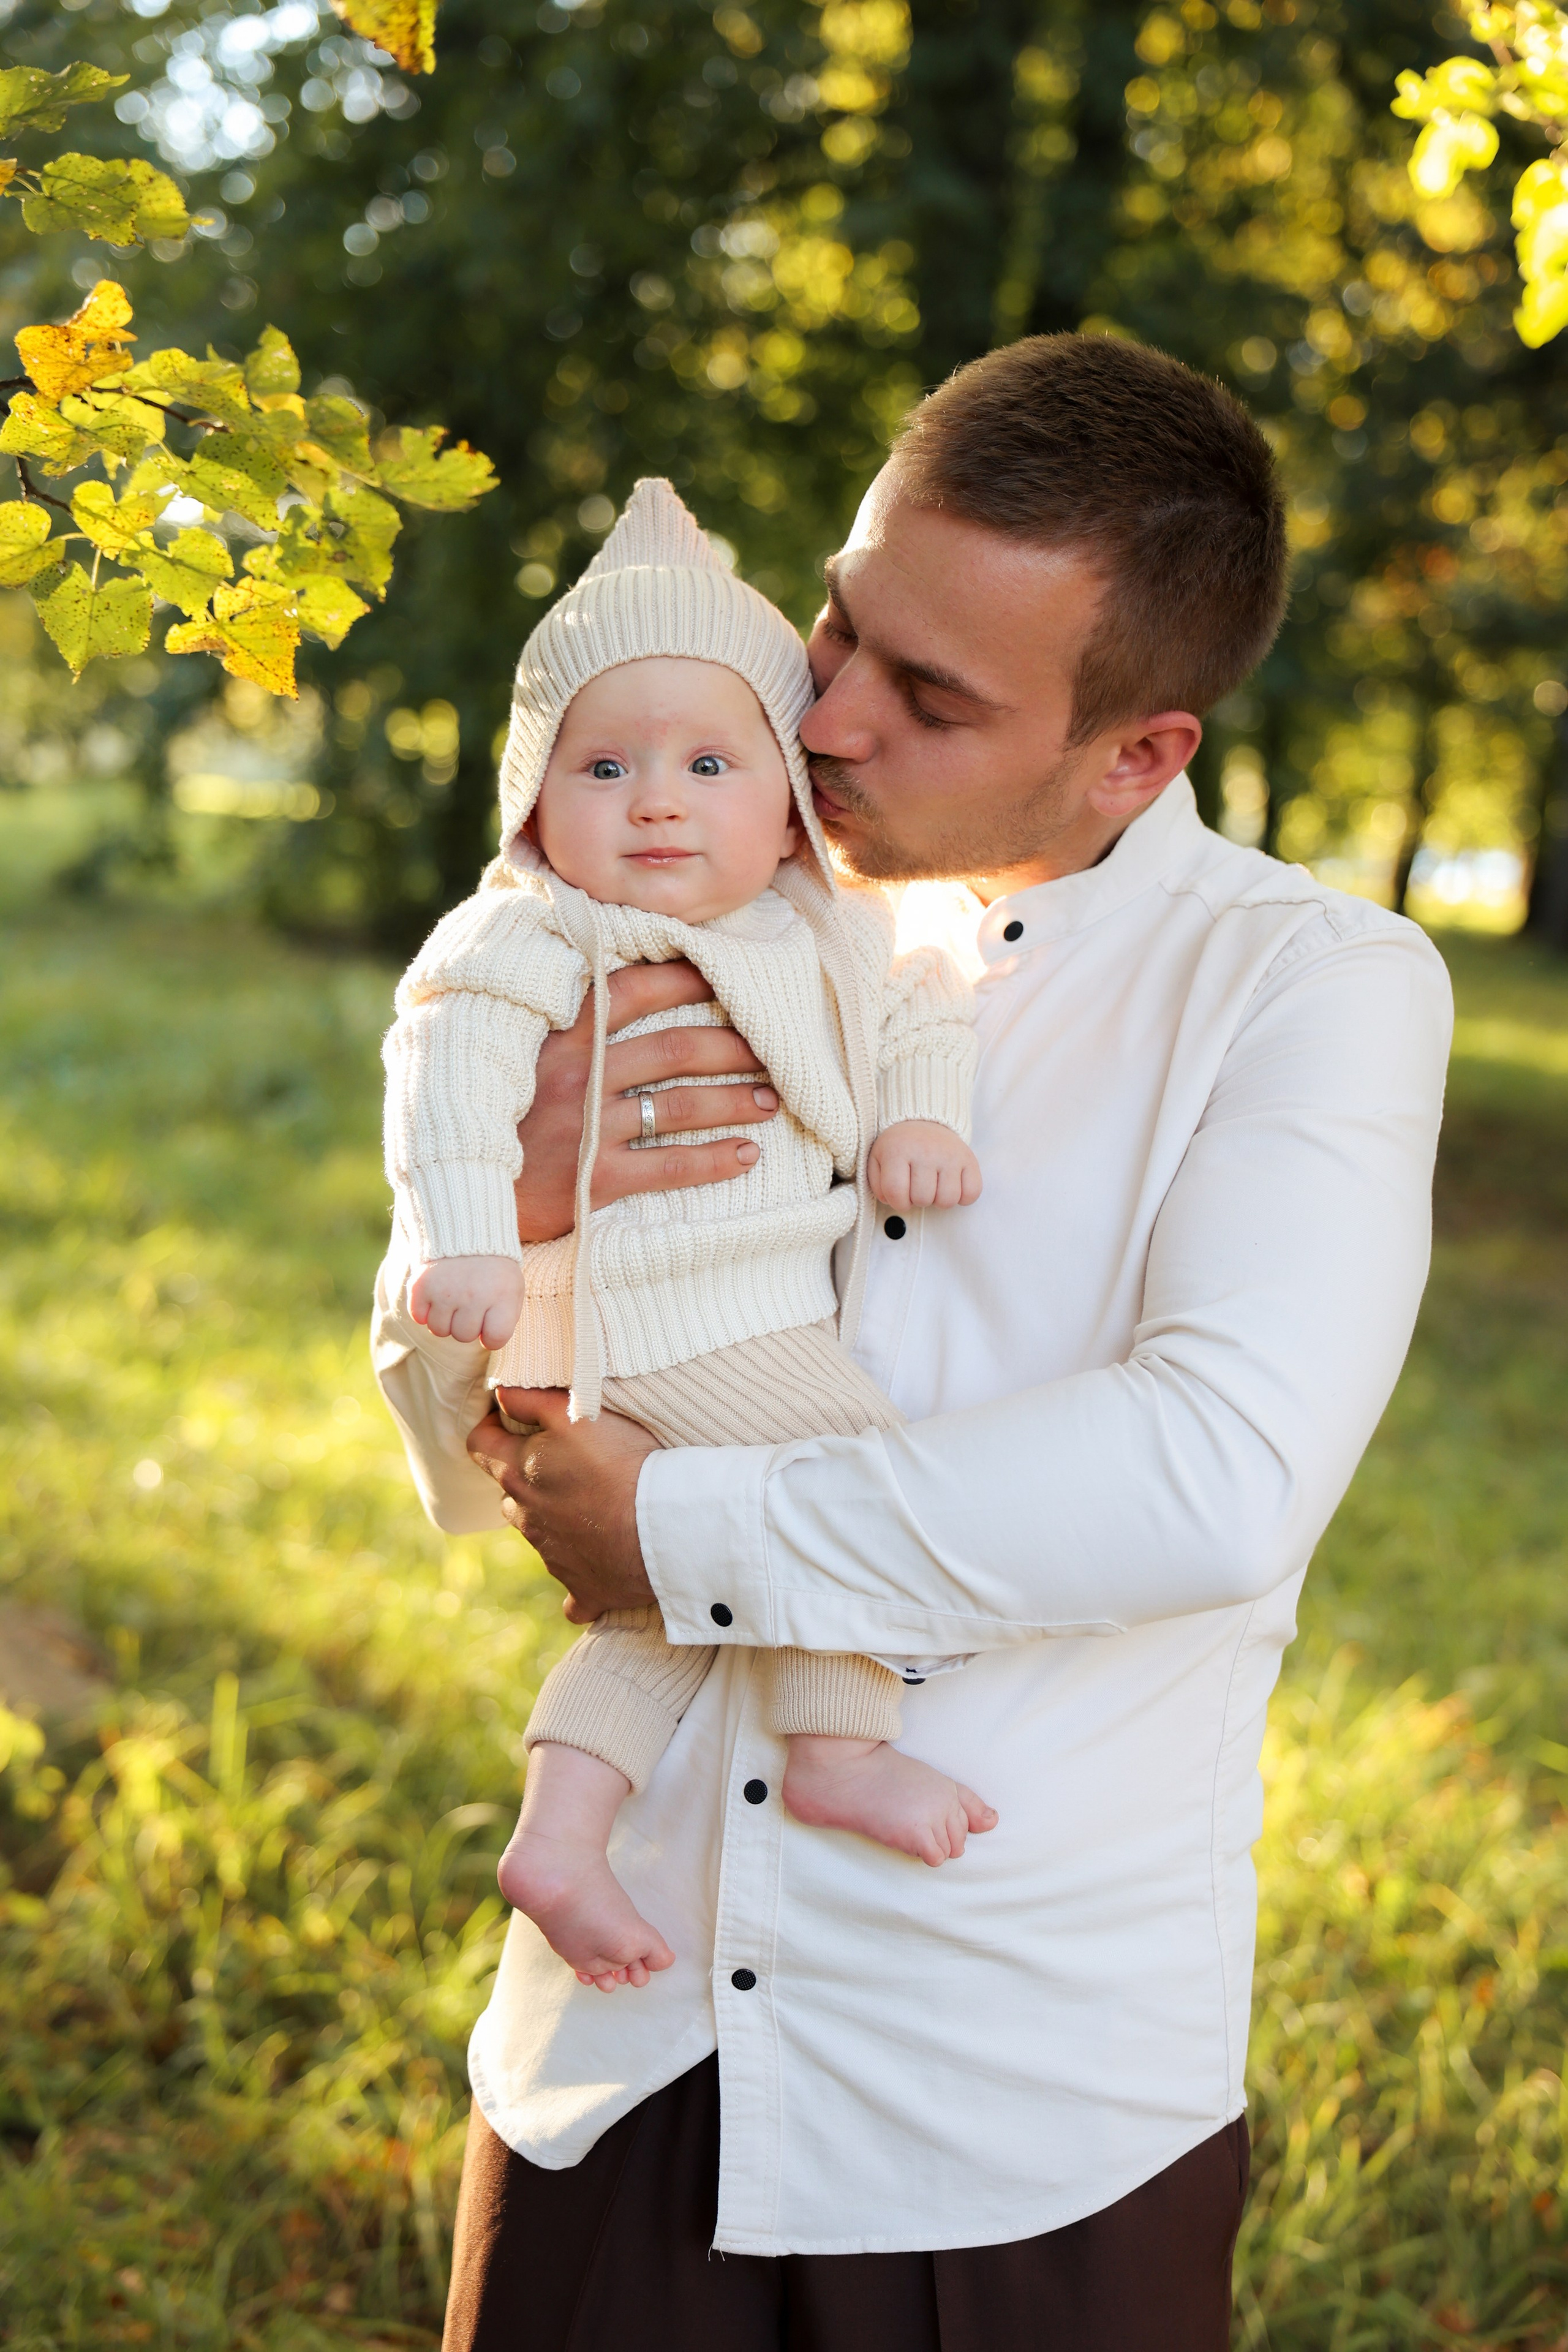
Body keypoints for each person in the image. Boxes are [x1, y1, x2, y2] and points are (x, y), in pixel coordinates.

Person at [372, 333, 1453, 2350]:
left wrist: (686, 1534)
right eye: (837, 628)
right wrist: (513, 1213)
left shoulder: (1309, 989)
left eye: (932, 696)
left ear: (1141, 750)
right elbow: (478, 1443)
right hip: (619, 2053)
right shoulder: (659, 876)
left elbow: (1214, 1476)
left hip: (1012, 2117)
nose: (831, 718)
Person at [380, 477, 990, 1997]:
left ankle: (559, 1833)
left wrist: (921, 1119)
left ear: (784, 797)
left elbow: (918, 1006)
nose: (655, 798)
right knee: (843, 1476)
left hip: (720, 1309)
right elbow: (446, 1081)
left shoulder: (818, 930)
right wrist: (464, 1234)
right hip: (647, 1312)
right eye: (604, 765)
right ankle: (841, 1744)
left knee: (675, 1596)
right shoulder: (530, 932)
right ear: (532, 800)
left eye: (708, 761)